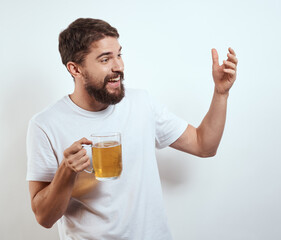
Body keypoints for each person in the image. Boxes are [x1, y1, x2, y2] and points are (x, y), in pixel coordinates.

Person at [26, 18, 238, 240]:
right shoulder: (45, 124)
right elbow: (44, 217)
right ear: (75, 69)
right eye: (105, 59)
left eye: (119, 54)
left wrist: (221, 93)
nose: (119, 66)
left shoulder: (141, 103)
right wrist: (66, 172)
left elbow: (204, 145)